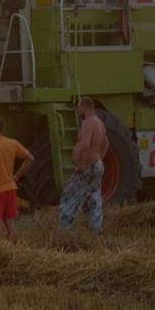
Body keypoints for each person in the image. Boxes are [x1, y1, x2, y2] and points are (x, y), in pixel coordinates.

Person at [59, 97, 109, 235]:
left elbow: (85, 144)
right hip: (97, 165)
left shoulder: (88, 123)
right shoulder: (99, 123)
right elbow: (106, 144)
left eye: (78, 107)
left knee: (69, 195)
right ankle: (96, 230)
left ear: (84, 107)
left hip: (87, 166)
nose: (77, 110)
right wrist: (99, 159)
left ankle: (64, 230)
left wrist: (82, 163)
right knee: (93, 198)